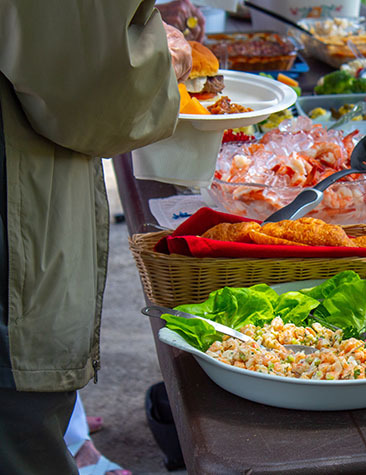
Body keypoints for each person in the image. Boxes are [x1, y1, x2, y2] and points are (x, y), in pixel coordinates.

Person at [0, 1, 192, 474]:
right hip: (15, 221)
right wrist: (166, 56)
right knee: (23, 427)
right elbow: (101, 93)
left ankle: (77, 442)